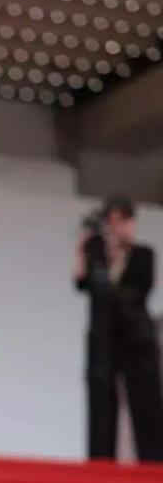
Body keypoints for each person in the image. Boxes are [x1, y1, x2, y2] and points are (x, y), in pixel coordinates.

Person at [75, 196, 163, 461]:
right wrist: (84, 252)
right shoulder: (99, 257)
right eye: (111, 221)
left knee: (146, 402)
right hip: (105, 340)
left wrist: (118, 260)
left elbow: (140, 291)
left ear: (131, 223)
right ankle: (101, 461)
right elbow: (82, 283)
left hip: (137, 339)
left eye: (122, 221)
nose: (116, 227)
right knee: (102, 402)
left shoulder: (143, 254)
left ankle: (152, 462)